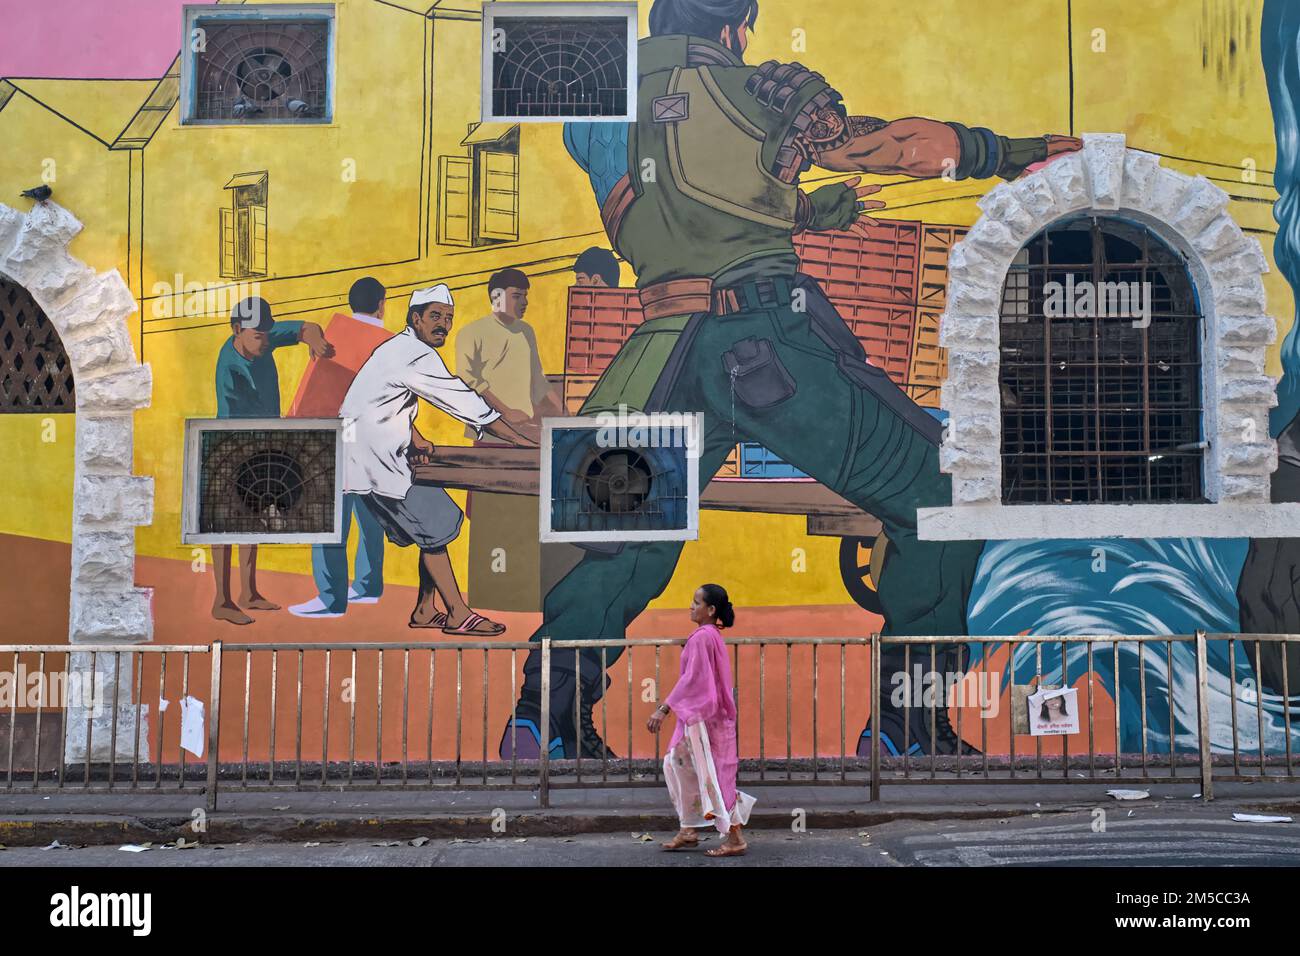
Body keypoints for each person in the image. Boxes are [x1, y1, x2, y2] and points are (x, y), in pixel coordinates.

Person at [502, 0, 1082, 759]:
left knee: (625, 547)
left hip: (657, 350)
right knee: (947, 495)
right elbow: (895, 148)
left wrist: (804, 209)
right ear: (737, 26)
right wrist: (1009, 151)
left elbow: (682, 189)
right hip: (766, 340)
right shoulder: (761, 90)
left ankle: (541, 722)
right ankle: (906, 728)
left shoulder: (594, 110)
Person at [340, 284, 535, 634]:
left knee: (435, 528)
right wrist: (522, 443)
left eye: (447, 318)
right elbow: (463, 401)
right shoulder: (414, 354)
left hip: (369, 456)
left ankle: (425, 610)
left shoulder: (398, 349)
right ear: (415, 318)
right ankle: (458, 614)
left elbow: (380, 400)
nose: (443, 324)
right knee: (437, 527)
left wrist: (415, 437)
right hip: (376, 462)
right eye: (435, 317)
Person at [211, 295, 334, 625]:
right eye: (257, 335)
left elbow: (307, 328)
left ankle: (247, 593)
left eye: (267, 333)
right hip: (232, 442)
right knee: (224, 524)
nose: (265, 340)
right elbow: (247, 419)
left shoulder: (264, 336)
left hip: (262, 440)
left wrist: (317, 341)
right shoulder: (231, 367)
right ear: (237, 330)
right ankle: (222, 600)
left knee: (251, 516)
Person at [290, 276, 390, 619]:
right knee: (370, 516)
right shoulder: (389, 343)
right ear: (381, 304)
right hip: (373, 441)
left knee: (330, 519)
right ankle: (368, 585)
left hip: (332, 438)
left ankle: (332, 598)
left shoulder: (331, 336)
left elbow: (309, 393)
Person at [649, 583, 754, 857]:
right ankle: (689, 829)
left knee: (709, 775)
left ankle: (733, 838)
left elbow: (693, 679)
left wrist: (663, 708)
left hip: (706, 720)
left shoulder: (701, 638)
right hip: (709, 718)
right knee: (682, 766)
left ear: (710, 610)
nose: (691, 606)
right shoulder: (710, 635)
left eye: (696, 602)